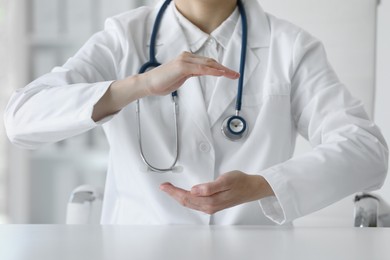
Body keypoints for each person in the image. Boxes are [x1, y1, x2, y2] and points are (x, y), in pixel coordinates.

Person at [4, 0, 388, 225]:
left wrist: (264, 185)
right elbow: (20, 119)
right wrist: (138, 85)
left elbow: (367, 152)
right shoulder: (124, 38)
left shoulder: (289, 47)